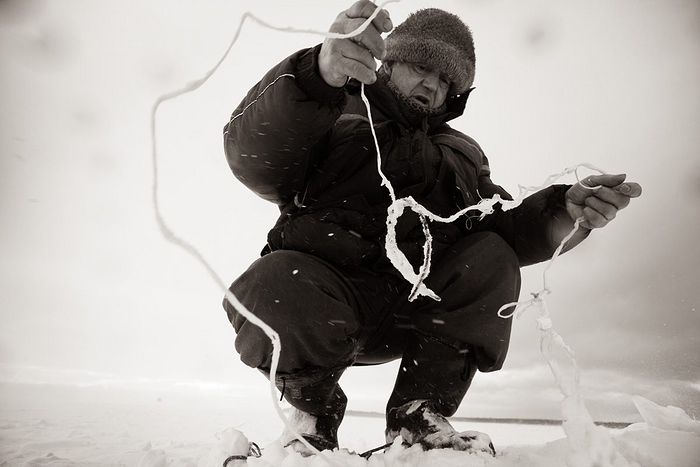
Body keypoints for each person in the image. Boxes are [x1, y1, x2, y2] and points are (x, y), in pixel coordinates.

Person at [221, 1, 642, 456]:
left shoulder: (463, 153)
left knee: (491, 254)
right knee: (270, 282)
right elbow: (255, 156)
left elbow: (505, 224)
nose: (432, 85)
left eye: (446, 80)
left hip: (418, 316)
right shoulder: (331, 107)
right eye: (422, 67)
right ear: (390, 61)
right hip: (326, 304)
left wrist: (565, 209)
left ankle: (416, 417)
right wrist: (316, 74)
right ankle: (313, 415)